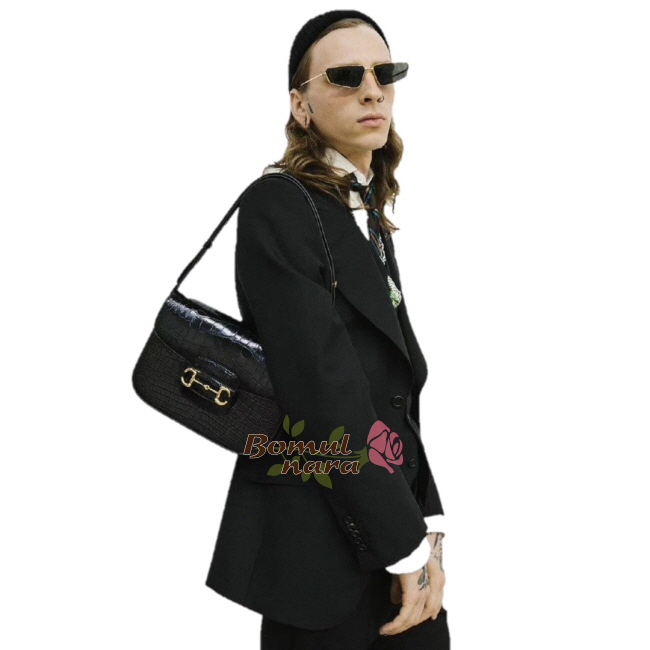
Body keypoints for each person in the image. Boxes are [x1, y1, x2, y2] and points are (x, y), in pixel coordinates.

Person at [205, 10, 450, 649]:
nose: (373, 90)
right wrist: (406, 548)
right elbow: (324, 392)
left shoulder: (360, 208)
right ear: (301, 104)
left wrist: (429, 527)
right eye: (345, 76)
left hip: (392, 534)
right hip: (320, 558)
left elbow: (392, 391)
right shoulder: (279, 205)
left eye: (384, 73)